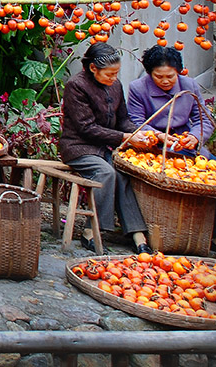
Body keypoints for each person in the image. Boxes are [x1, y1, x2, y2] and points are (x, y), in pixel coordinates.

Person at [59, 43, 153, 254]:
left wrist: (138, 133)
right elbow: (86, 128)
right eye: (109, 74)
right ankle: (92, 231)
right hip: (78, 147)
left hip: (104, 148)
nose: (113, 78)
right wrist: (124, 137)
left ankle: (138, 234)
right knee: (106, 173)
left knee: (123, 174)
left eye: (116, 73)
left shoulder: (115, 85)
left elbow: (123, 120)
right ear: (93, 68)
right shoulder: (76, 85)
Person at [128, 45, 216, 249]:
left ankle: (215, 234)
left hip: (186, 146)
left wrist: (195, 138)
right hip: (152, 148)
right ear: (149, 73)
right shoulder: (138, 88)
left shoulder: (189, 85)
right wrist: (159, 136)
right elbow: (136, 122)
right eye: (158, 77)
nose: (165, 81)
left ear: (178, 72)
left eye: (170, 76)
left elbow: (202, 119)